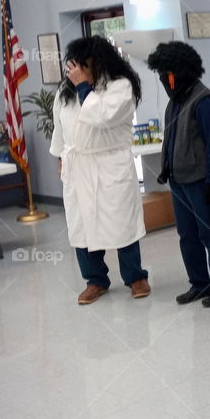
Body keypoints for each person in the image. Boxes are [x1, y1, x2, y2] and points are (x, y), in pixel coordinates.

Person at [50, 36, 149, 305]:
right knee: (81, 225)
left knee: (121, 221)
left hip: (110, 164)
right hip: (78, 164)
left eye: (86, 65)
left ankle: (135, 276)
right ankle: (95, 280)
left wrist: (83, 85)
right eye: (77, 65)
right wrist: (60, 156)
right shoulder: (65, 92)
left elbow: (101, 116)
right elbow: (60, 128)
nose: (79, 70)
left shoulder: (119, 86)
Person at [147, 41, 210, 307]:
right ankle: (200, 284)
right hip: (178, 182)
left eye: (167, 73)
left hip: (202, 183)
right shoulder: (174, 102)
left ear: (180, 71)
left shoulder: (204, 101)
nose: (165, 80)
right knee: (188, 236)